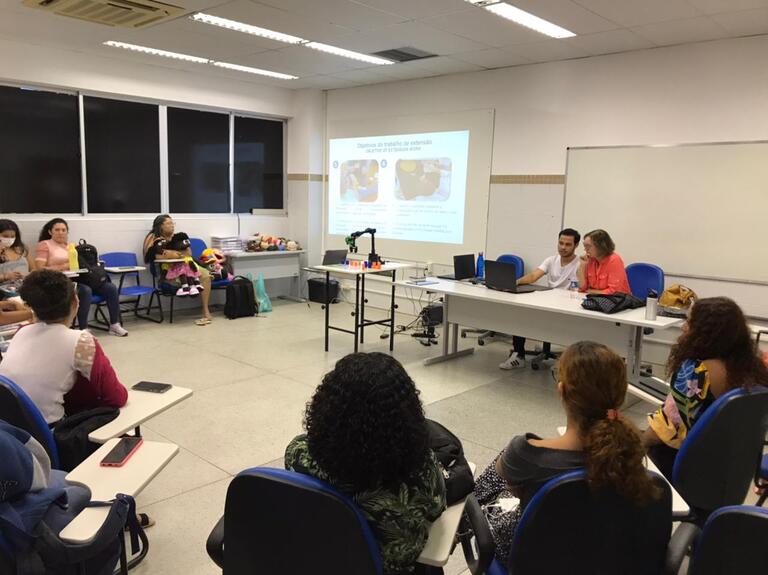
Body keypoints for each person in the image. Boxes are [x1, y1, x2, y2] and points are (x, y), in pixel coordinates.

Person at [476, 341, 660, 564]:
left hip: (537, 560)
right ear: (620, 394)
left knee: (486, 496)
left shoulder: (526, 453)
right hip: (610, 560)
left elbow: (483, 492)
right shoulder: (632, 461)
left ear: (561, 390)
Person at [284, 352, 446, 575]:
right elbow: (437, 508)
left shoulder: (297, 455)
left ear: (328, 407)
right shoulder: (418, 479)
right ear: (406, 416)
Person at [643, 297, 768, 478]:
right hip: (731, 470)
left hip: (682, 467)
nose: (683, 327)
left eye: (689, 322)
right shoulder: (752, 369)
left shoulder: (696, 372)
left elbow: (666, 426)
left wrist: (635, 445)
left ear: (704, 332)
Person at [0, 270, 128, 425]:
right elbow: (116, 397)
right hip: (47, 433)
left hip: (8, 428)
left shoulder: (22, 331)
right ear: (75, 302)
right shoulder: (81, 341)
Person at [499, 228, 581, 370]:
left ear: (576, 245)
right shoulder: (551, 260)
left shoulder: (580, 264)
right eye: (561, 243)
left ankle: (568, 362)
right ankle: (519, 356)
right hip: (549, 302)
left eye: (568, 244)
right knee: (521, 314)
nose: (563, 247)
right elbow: (533, 276)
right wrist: (515, 282)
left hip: (569, 306)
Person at [34, 218, 127, 336]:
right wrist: (63, 266)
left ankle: (115, 324)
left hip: (79, 279)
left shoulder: (72, 247)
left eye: (63, 230)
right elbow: (40, 268)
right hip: (59, 283)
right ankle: (83, 329)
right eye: (57, 230)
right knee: (85, 291)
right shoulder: (45, 245)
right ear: (50, 232)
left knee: (110, 288)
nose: (61, 232)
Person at [143, 215, 212, 325]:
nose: (172, 226)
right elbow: (156, 256)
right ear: (161, 226)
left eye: (172, 223)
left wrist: (172, 254)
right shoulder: (153, 238)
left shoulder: (177, 237)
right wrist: (172, 254)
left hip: (187, 266)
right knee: (186, 279)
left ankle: (205, 310)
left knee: (206, 275)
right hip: (168, 270)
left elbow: (188, 253)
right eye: (169, 223)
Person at [577, 229, 631, 294]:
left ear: (601, 246)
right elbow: (582, 288)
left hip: (618, 301)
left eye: (588, 246)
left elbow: (614, 292)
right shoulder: (591, 259)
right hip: (597, 299)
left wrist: (592, 291)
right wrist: (582, 265)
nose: (585, 249)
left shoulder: (614, 260)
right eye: (584, 246)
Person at [0, 218, 35, 298]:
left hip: (25, 288)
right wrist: (5, 276)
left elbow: (34, 270)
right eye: (5, 236)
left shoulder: (23, 249)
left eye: (12, 236)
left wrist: (27, 275)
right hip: (4, 292)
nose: (9, 239)